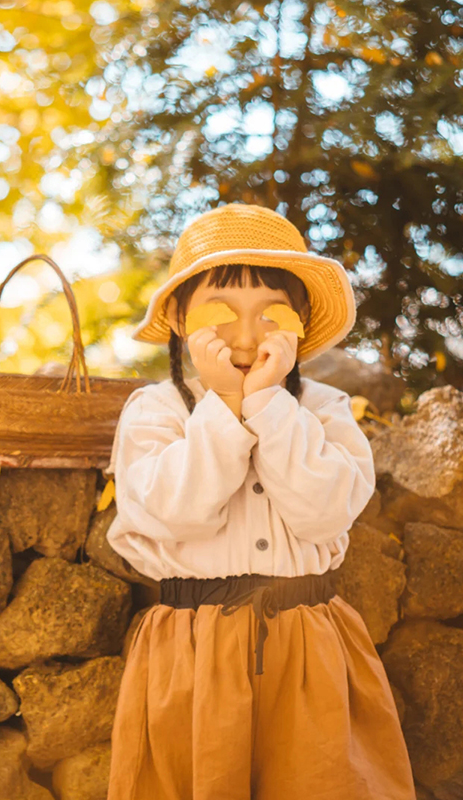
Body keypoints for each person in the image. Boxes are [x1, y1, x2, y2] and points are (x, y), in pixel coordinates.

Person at [103, 203, 416, 800]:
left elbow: (325, 509)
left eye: (271, 315)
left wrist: (270, 406)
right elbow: (171, 510)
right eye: (220, 314)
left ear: (299, 321)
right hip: (193, 652)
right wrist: (222, 407)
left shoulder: (322, 410)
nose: (246, 337)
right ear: (177, 316)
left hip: (309, 648)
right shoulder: (156, 411)